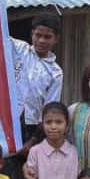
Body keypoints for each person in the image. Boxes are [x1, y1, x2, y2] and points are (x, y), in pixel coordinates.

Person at [11, 12, 64, 144]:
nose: (41, 40)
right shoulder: (19, 49)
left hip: (31, 127)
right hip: (6, 118)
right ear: (32, 34)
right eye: (38, 35)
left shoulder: (56, 73)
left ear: (56, 39)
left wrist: (32, 141)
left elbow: (49, 110)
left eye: (47, 37)